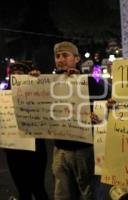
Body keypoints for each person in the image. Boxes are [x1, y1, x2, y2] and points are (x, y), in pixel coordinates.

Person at [51, 41, 110, 200]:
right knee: (62, 193)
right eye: (57, 56)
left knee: (88, 193)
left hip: (84, 149)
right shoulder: (48, 82)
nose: (61, 59)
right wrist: (33, 78)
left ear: (76, 59)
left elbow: (105, 97)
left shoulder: (89, 81)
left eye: (65, 55)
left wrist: (96, 114)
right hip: (60, 149)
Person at [5, 61, 49, 200]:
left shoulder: (35, 92)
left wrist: (37, 81)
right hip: (13, 152)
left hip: (35, 151)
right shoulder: (3, 97)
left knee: (38, 188)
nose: (16, 77)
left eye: (20, 74)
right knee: (23, 191)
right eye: (13, 74)